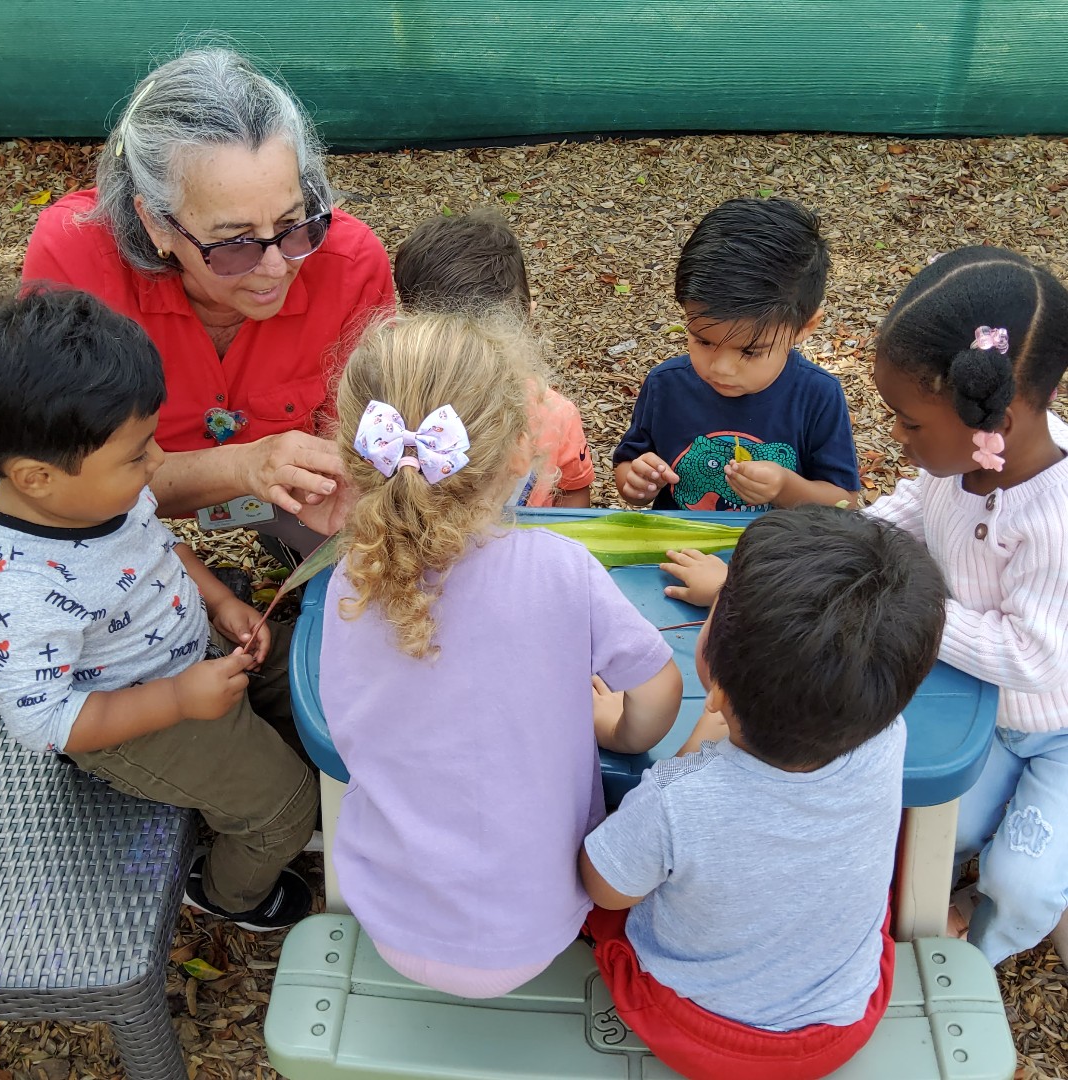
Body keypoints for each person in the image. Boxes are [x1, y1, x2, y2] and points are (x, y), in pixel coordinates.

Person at [318, 310, 681, 997]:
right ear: (521, 450)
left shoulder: (350, 577)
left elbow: (347, 719)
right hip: (536, 929)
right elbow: (660, 691)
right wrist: (615, 728)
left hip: (389, 920)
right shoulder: (559, 569)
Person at [0, 288, 318, 931]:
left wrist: (219, 598)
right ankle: (228, 894)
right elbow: (44, 723)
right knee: (285, 808)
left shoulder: (90, 492)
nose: (160, 463)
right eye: (139, 453)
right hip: (131, 715)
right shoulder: (18, 592)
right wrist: (178, 701)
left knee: (318, 676)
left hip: (193, 652)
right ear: (35, 477)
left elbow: (156, 545)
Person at [579, 506, 947, 1080]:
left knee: (593, 899)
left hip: (698, 1031)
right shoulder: (886, 735)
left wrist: (687, 755)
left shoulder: (680, 799)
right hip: (845, 1019)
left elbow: (604, 889)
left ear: (718, 689)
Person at [21, 47, 394, 544]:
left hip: (290, 504)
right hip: (110, 523)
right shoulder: (76, 261)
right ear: (155, 221)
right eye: (235, 243)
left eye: (292, 224)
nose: (276, 266)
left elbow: (365, 458)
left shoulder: (350, 263)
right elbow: (59, 485)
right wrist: (239, 467)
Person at [863, 246, 1068, 966]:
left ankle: (978, 952)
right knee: (928, 829)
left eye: (909, 423)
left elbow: (1032, 655)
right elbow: (912, 511)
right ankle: (930, 904)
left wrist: (909, 600)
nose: (897, 436)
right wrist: (838, 547)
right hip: (985, 706)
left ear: (997, 420)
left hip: (1056, 725)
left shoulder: (1054, 520)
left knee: (1024, 879)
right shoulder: (961, 460)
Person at [613, 197, 859, 512]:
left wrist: (784, 486)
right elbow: (629, 469)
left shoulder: (817, 396)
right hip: (682, 551)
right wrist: (637, 483)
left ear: (804, 327)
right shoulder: (665, 386)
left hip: (776, 554)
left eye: (750, 351)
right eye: (703, 341)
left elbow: (843, 502)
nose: (722, 367)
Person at [393, 206, 595, 506]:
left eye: (493, 349)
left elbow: (573, 490)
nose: (476, 368)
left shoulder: (554, 416)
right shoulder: (392, 420)